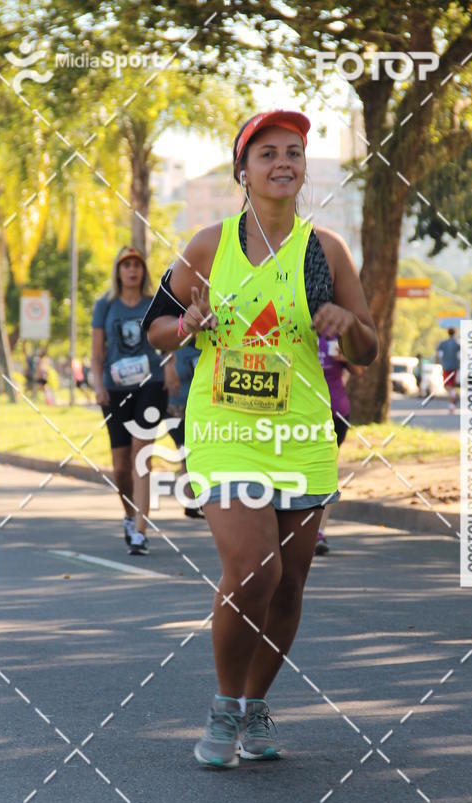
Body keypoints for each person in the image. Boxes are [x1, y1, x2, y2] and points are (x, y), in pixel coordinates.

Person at [144, 110, 378, 768]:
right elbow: (155, 326)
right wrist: (187, 323)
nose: (283, 162)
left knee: (290, 585)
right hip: (224, 429)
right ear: (242, 171)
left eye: (294, 152)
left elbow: (368, 345)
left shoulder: (325, 250)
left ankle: (255, 703)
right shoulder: (207, 246)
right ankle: (225, 707)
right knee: (256, 569)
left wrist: (345, 325)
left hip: (301, 433)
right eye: (267, 152)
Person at [91, 246, 171, 555]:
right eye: (126, 265)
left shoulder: (153, 303)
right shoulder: (105, 306)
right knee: (121, 466)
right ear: (118, 271)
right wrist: (98, 385)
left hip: (151, 385)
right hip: (115, 389)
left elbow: (166, 340)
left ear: (143, 271)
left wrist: (171, 367)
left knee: (141, 453)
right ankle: (129, 513)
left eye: (137, 265)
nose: (132, 270)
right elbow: (97, 353)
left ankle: (140, 530)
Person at [314, 333, 363, 555]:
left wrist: (346, 356)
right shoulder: (292, 327)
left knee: (326, 470)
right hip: (300, 416)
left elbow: (359, 369)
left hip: (336, 414)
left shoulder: (335, 335)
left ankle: (318, 531)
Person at [166, 343, 204, 518]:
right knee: (186, 453)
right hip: (177, 409)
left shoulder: (207, 348)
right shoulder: (176, 348)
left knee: (198, 454)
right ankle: (191, 501)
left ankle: (197, 499)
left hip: (202, 412)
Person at [436, 327, 460, 412]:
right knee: (452, 385)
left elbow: (437, 353)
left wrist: (438, 362)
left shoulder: (443, 343)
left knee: (447, 386)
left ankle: (453, 397)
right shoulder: (457, 343)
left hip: (446, 367)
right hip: (455, 367)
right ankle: (452, 404)